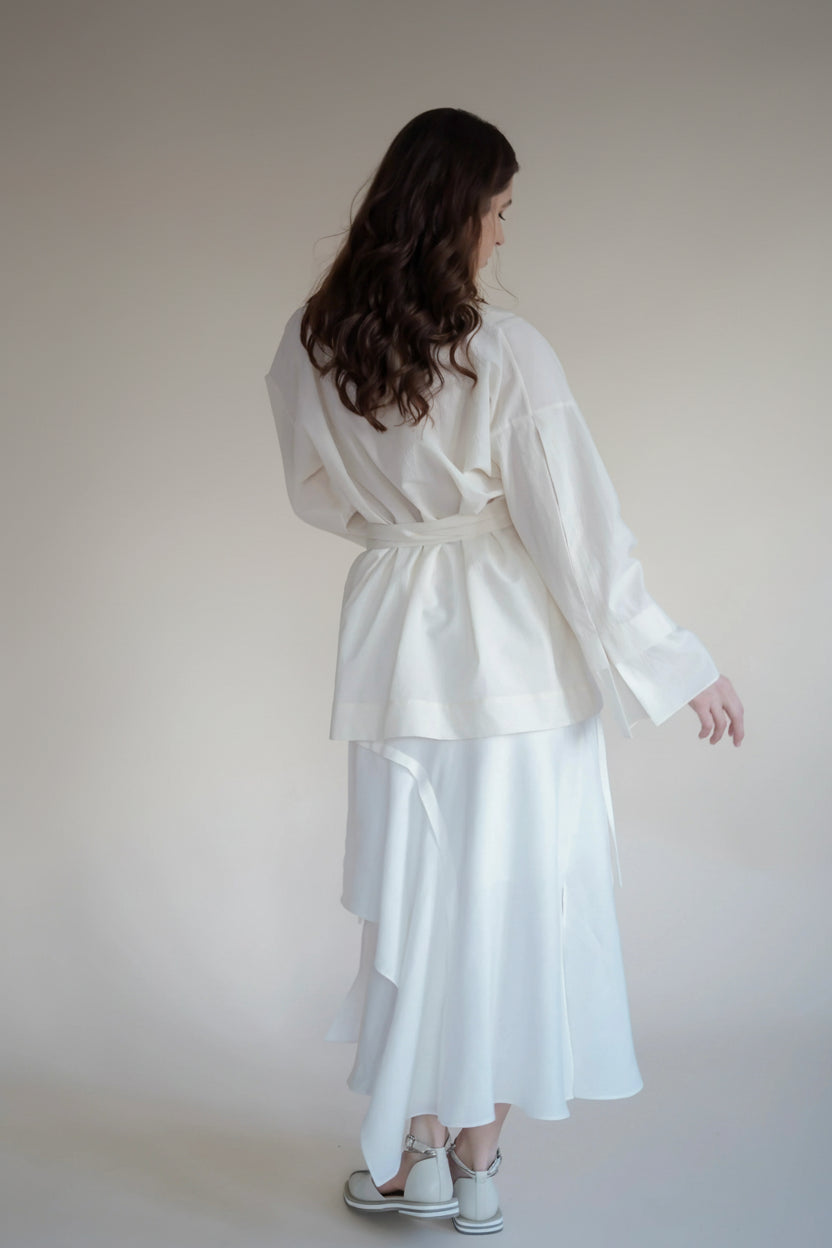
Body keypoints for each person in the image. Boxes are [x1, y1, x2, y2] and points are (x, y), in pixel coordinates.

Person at [264, 107, 744, 1235]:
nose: (501, 235)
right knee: (515, 897)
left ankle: (419, 1153)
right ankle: (478, 1165)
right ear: (457, 216)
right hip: (513, 654)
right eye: (498, 211)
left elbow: (314, 493)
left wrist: (407, 538)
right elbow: (577, 531)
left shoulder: (312, 342)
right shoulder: (505, 351)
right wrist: (676, 662)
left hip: (395, 644)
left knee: (422, 902)